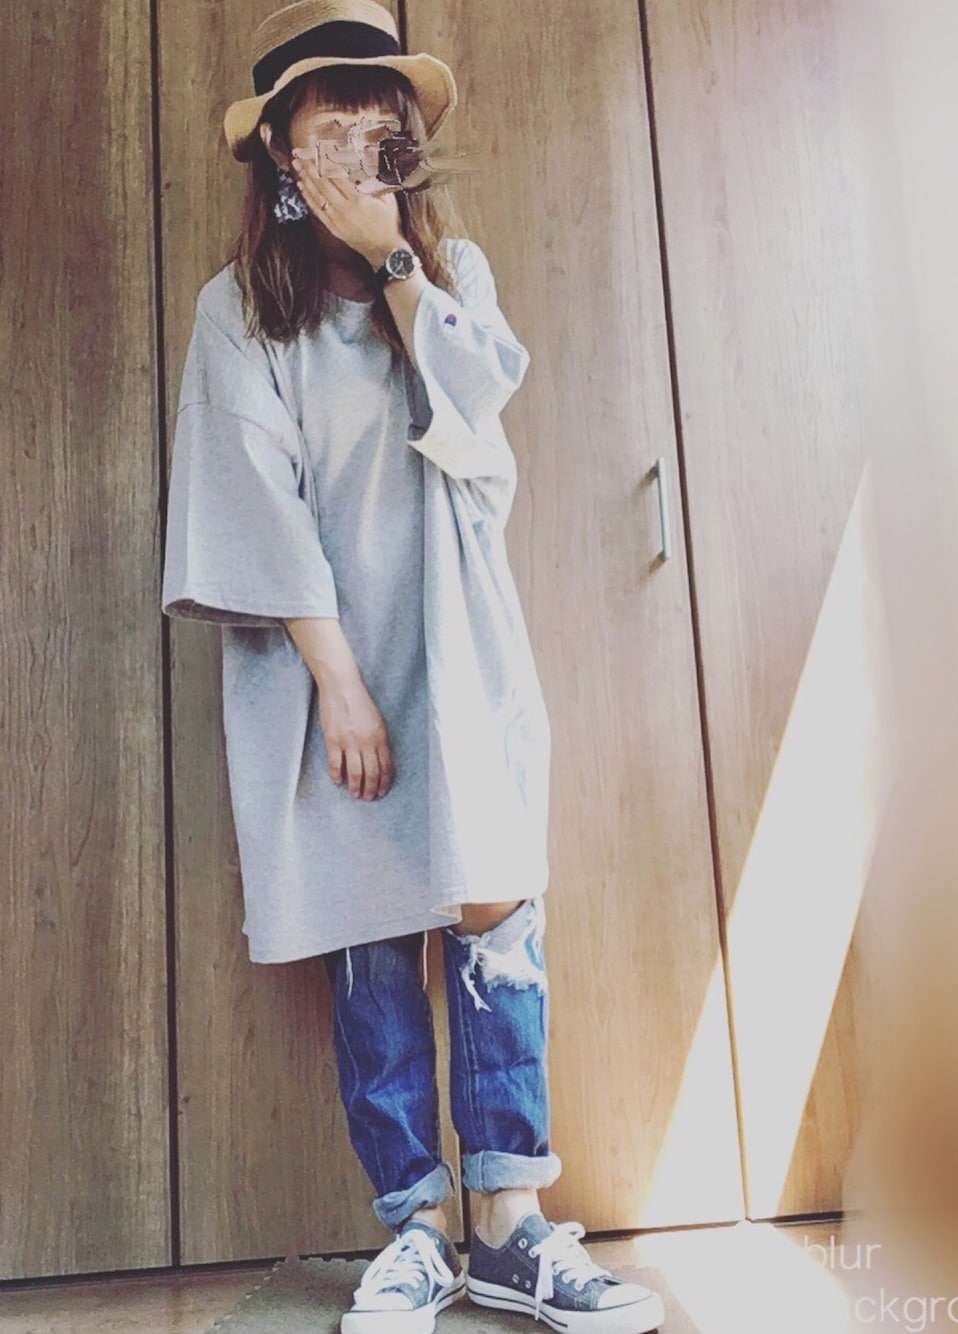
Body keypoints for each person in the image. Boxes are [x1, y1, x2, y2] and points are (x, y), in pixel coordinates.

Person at [161, 2, 665, 1331]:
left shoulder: (451, 277)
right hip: (324, 660)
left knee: (494, 909)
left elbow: (476, 415)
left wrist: (394, 263)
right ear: (279, 147)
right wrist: (337, 682)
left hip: (459, 638)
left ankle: (512, 1226)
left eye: (375, 112)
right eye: (327, 113)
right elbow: (251, 499)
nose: (355, 133)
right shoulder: (239, 310)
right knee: (367, 926)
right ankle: (417, 1230)